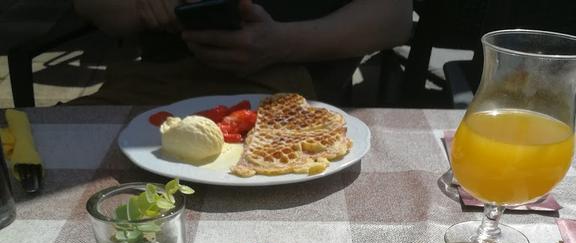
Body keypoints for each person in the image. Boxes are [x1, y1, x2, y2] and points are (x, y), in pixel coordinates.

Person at [71, 0, 413, 104]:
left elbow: (394, 17)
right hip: (152, 94)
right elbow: (95, 9)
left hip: (303, 96)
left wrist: (280, 44)